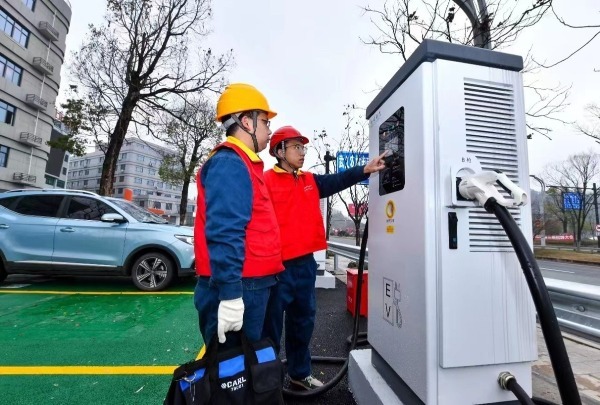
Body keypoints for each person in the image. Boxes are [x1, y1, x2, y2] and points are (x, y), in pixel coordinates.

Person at [261, 125, 386, 389]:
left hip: (305, 265)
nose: (302, 152)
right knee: (269, 328)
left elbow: (337, 179)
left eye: (303, 147)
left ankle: (299, 373)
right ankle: (267, 383)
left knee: (303, 322)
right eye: (296, 147)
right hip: (276, 267)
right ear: (279, 151)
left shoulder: (309, 180)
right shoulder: (264, 181)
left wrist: (364, 169)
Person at [193, 83, 284, 347]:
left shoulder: (242, 163)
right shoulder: (230, 163)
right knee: (234, 366)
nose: (269, 130)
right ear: (247, 122)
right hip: (242, 286)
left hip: (251, 283)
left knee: (247, 364)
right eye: (265, 122)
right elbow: (225, 232)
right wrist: (231, 295)